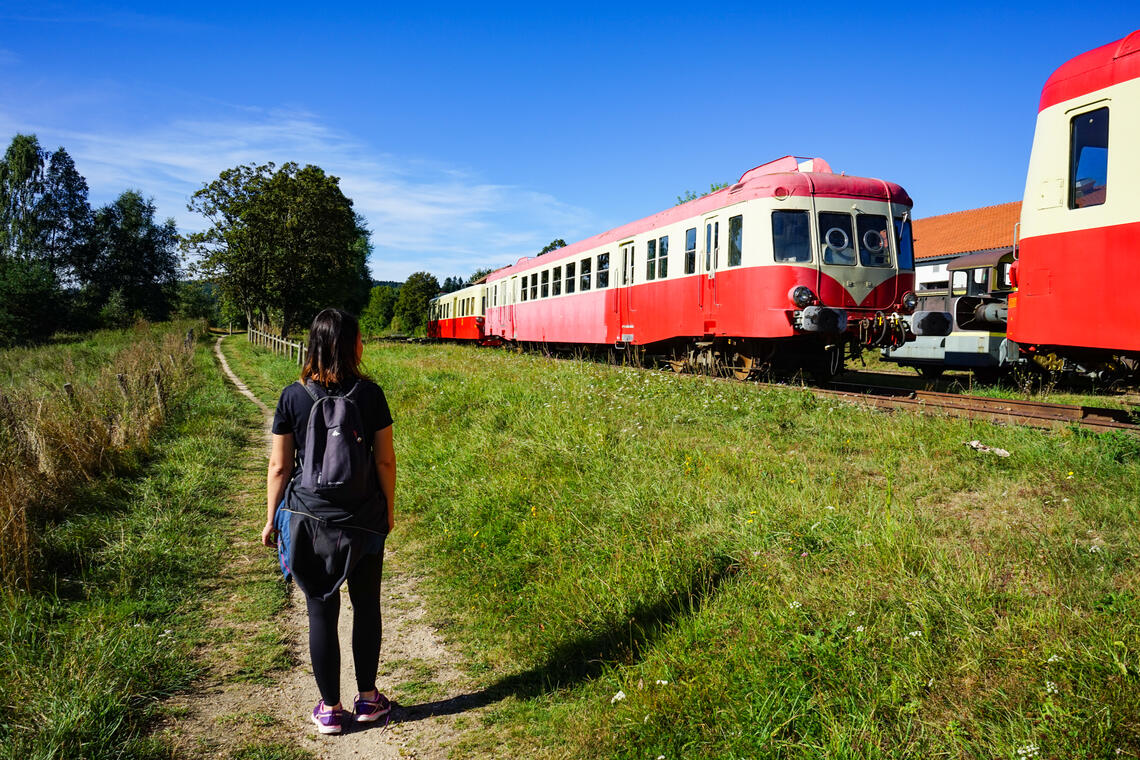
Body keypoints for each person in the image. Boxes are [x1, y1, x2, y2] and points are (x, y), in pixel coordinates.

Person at [262, 308, 396, 735]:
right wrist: (388, 511)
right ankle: (370, 700)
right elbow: (386, 461)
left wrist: (271, 520)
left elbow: (280, 468)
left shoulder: (292, 396)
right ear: (352, 345)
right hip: (364, 520)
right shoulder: (371, 394)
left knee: (320, 611)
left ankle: (330, 709)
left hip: (308, 520)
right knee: (367, 606)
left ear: (313, 345)